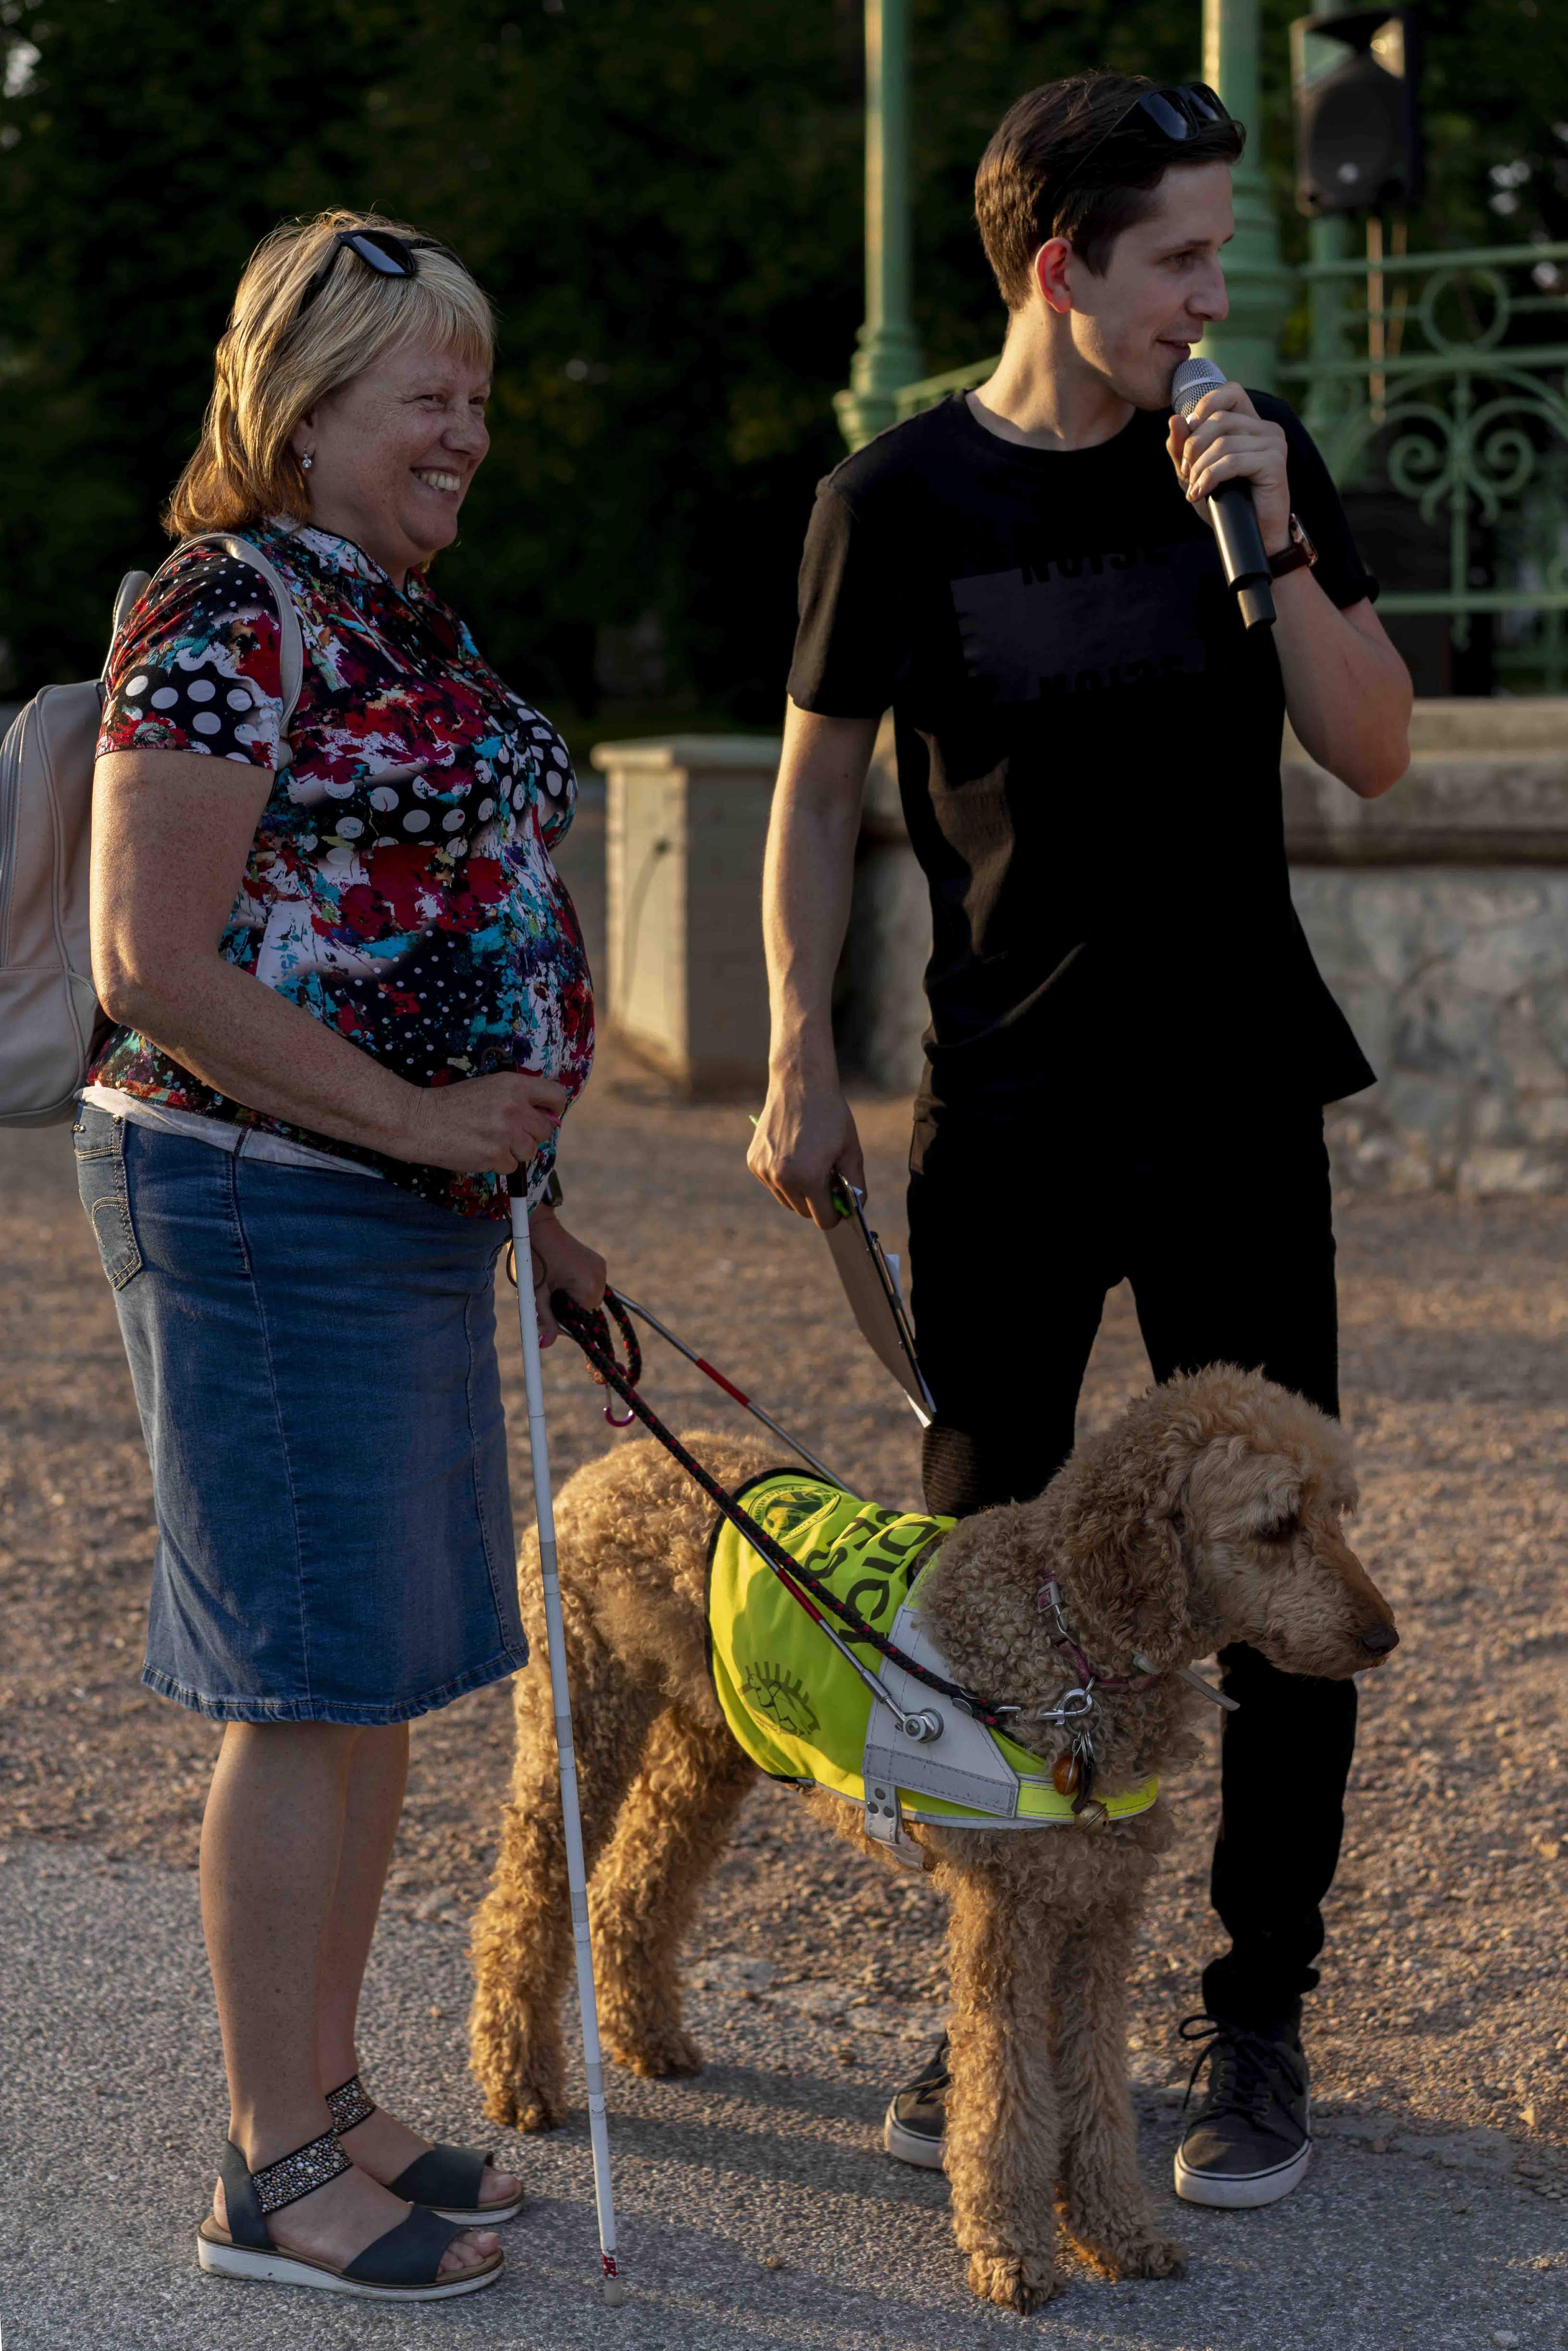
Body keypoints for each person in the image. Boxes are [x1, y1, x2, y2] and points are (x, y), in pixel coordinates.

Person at [748, 73, 1411, 2213]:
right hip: (1010, 1119)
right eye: (1180, 260)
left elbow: (1374, 750)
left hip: (1232, 1104)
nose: (1215, 297)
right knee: (983, 1578)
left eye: (1220, 252)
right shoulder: (895, 498)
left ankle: (1255, 2011)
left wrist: (1274, 530)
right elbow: (811, 795)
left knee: (1284, 1565)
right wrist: (794, 1050)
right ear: (1061, 267)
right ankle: (999, 2012)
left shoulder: (1250, 461)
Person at [79, 209, 603, 2301]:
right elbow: (152, 960)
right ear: (302, 412)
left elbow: (464, 923)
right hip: (258, 1195)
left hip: (394, 1206)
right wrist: (420, 1126)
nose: (467, 430)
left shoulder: (392, 611)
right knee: (305, 1685)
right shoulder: (226, 607)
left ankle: (327, 2095)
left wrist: (529, 1197)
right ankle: (273, 2167)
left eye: (478, 395)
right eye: (426, 396)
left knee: (369, 1675)